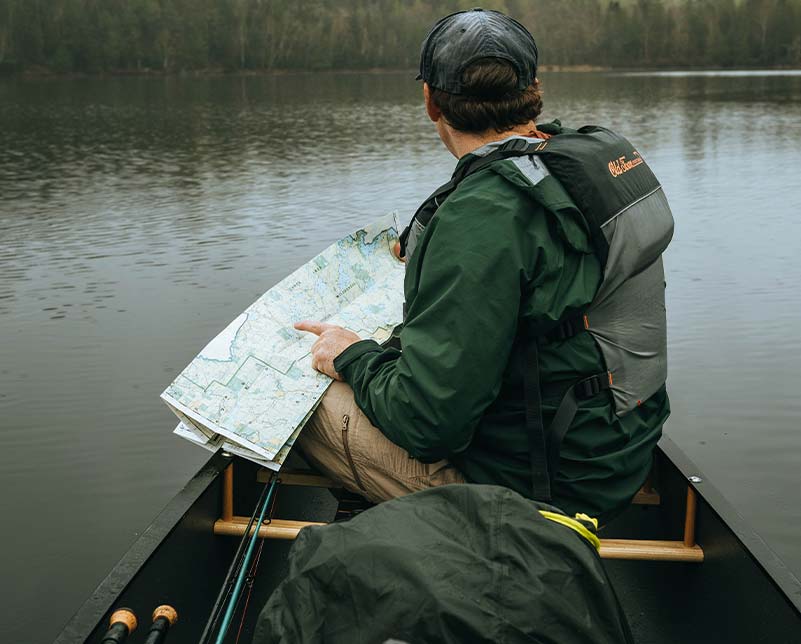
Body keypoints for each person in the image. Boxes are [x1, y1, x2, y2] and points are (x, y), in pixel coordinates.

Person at [295, 8, 670, 522]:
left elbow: (428, 426)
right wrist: (431, 235)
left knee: (309, 397)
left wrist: (351, 356)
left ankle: (425, 527)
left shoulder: (481, 220)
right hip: (618, 453)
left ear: (430, 101)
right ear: (534, 90)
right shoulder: (600, 157)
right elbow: (514, 187)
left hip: (540, 494)